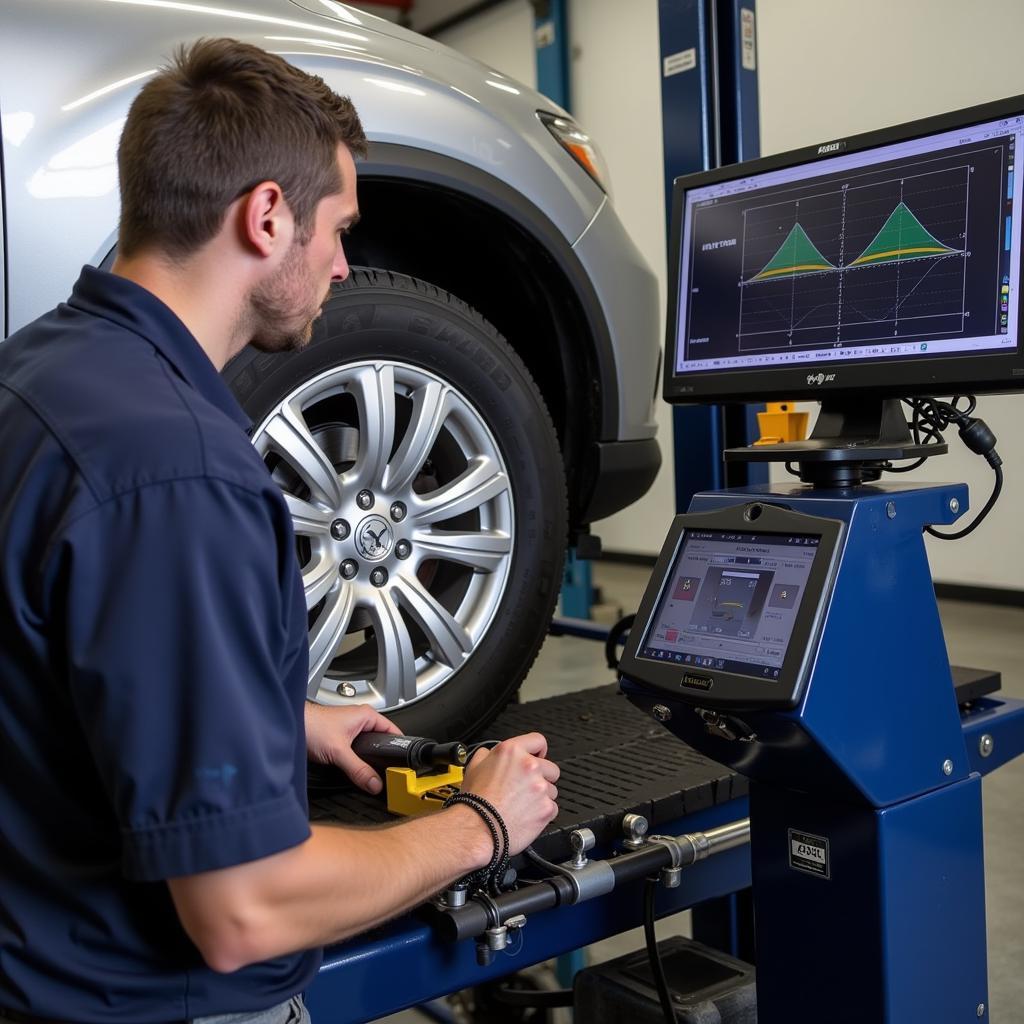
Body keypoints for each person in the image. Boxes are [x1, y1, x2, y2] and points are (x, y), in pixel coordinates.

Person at [0, 38, 559, 1024]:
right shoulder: (178, 473)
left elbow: (51, 664)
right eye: (338, 229)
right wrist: (481, 824)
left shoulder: (38, 372)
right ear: (265, 216)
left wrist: (277, 720)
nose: (345, 264)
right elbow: (242, 909)